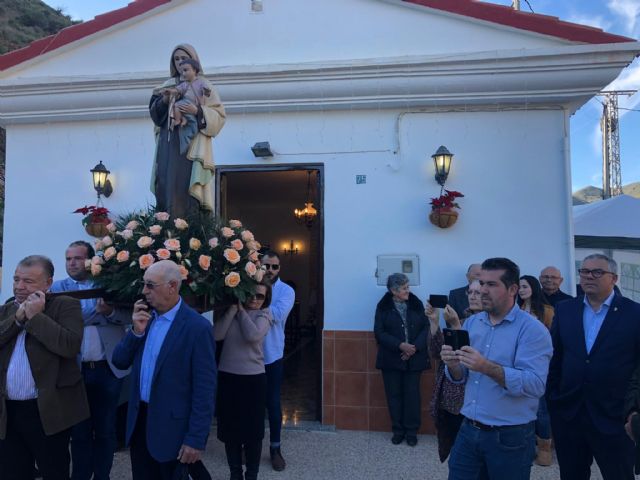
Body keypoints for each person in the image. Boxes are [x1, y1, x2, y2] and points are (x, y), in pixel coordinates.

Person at [441, 257, 552, 480]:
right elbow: (461, 376)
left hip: (510, 436)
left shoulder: (532, 330)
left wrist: (487, 367)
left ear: (512, 289)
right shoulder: (472, 323)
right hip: (468, 429)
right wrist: (453, 365)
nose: (483, 290)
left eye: (491, 284)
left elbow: (535, 385)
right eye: (481, 283)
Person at [112, 260, 216, 480]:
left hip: (173, 429)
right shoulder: (145, 319)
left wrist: (196, 438)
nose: (144, 291)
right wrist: (135, 332)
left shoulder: (197, 328)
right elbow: (119, 361)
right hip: (140, 423)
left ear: (172, 286)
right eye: (144, 284)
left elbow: (205, 389)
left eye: (150, 285)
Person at [546, 254, 640, 480]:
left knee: (619, 474)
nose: (589, 276)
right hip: (569, 413)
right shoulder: (566, 309)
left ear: (614, 278)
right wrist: (554, 397)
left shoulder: (634, 313)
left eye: (597, 272)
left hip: (614, 415)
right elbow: (555, 357)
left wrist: (633, 408)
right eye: (584, 271)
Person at [0, 255, 90, 480]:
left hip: (48, 410)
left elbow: (69, 346)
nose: (19, 286)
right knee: (12, 472)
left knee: (54, 471)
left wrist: (35, 317)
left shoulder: (65, 305)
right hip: (8, 412)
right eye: (16, 279)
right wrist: (18, 318)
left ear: (48, 283)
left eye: (28, 281)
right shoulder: (7, 309)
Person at [49, 241, 131, 480]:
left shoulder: (110, 286)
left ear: (91, 260)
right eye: (68, 259)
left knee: (106, 430)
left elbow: (129, 315)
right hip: (74, 370)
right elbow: (60, 321)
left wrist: (110, 312)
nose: (72, 263)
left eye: (77, 258)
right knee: (79, 431)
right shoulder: (57, 289)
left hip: (107, 370)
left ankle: (102, 476)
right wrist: (98, 314)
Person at [149, 43, 226, 218]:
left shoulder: (204, 85)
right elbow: (155, 114)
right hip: (169, 143)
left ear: (194, 62)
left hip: (192, 145)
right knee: (167, 181)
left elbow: (219, 116)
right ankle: (166, 221)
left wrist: (197, 111)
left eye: (184, 58)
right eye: (176, 59)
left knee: (187, 183)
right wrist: (165, 100)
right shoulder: (166, 86)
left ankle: (191, 222)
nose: (179, 62)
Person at [215, 283, 273, 480]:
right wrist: (233, 310)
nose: (255, 299)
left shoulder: (265, 314)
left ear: (266, 299)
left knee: (253, 433)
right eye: (250, 294)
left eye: (260, 296)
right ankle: (235, 474)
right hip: (228, 377)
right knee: (230, 431)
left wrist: (241, 312)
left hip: (253, 380)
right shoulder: (231, 311)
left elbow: (252, 336)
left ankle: (251, 475)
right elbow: (216, 335)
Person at [427, 279, 482, 462]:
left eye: (477, 292)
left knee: (472, 455)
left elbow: (466, 358)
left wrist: (457, 327)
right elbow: (437, 353)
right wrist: (434, 322)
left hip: (472, 400)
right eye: (470, 292)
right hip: (451, 399)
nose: (472, 296)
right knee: (456, 454)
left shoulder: (489, 327)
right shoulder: (463, 320)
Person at [374, 273, 430, 447]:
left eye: (408, 287)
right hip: (391, 359)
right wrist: (400, 345)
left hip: (414, 358)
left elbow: (426, 327)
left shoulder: (416, 303)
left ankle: (411, 432)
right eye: (404, 288)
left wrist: (413, 348)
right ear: (394, 290)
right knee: (394, 396)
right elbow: (379, 332)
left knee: (412, 396)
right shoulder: (383, 307)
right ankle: (398, 431)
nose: (408, 290)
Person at [261, 251, 295, 471]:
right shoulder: (249, 285)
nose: (271, 270)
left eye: (275, 266)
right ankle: (249, 445)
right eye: (267, 266)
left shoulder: (286, 291)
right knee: (250, 403)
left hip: (272, 354)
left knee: (272, 403)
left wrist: (254, 304)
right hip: (247, 356)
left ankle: (275, 448)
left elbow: (278, 314)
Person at [517, 274, 554, 466]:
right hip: (518, 364)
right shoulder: (515, 309)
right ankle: (528, 446)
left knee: (541, 407)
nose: (521, 290)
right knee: (523, 406)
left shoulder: (547, 311)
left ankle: (545, 447)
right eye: (519, 287)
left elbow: (554, 338)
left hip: (540, 364)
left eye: (525, 286)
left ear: (533, 288)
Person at [163, 59, 212, 155]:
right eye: (182, 71)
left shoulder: (200, 82)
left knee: (178, 105)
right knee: (176, 106)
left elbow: (207, 92)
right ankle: (181, 119)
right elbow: (177, 90)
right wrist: (170, 91)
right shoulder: (185, 84)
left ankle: (181, 120)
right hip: (185, 102)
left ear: (195, 70)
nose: (183, 73)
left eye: (186, 70)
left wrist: (206, 91)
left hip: (194, 105)